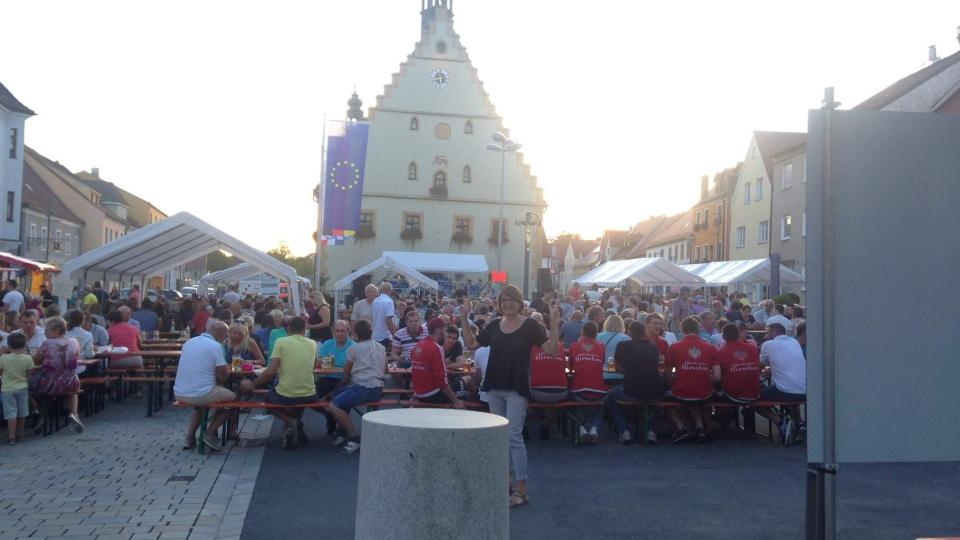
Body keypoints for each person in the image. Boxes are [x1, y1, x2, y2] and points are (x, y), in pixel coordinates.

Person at [461, 284, 560, 509]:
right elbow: (471, 343)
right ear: (499, 303)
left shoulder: (531, 325)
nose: (507, 303)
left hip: (516, 388)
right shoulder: (495, 324)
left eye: (511, 299)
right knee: (500, 436)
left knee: (514, 436)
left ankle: (521, 490)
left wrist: (554, 324)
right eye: (503, 300)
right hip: (494, 386)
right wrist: (464, 318)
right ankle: (505, 484)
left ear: (519, 301)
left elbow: (551, 350)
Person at [252, 316, 318, 450]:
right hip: (310, 394)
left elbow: (270, 372)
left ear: (288, 329)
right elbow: (313, 366)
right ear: (305, 330)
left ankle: (291, 422)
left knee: (268, 398)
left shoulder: (281, 342)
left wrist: (254, 384)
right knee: (295, 396)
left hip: (287, 394)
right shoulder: (312, 343)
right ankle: (292, 427)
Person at [173, 321, 237, 451]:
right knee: (234, 400)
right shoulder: (215, 346)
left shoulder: (189, 342)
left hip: (180, 391)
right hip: (201, 393)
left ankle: (189, 438)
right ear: (221, 335)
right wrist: (227, 370)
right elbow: (223, 376)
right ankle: (209, 433)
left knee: (200, 406)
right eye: (225, 336)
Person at [326, 320, 387, 455]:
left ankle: (353, 437)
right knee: (340, 394)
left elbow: (346, 372)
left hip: (363, 387)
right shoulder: (380, 347)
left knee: (333, 405)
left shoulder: (353, 349)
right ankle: (342, 431)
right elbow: (386, 368)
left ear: (356, 334)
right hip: (378, 389)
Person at [606, 321, 669, 444]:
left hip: (631, 390)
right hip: (653, 390)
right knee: (658, 401)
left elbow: (616, 366)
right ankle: (651, 430)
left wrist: (628, 372)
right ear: (644, 332)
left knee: (610, 396)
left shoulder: (623, 345)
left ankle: (623, 430)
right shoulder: (652, 347)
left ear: (629, 332)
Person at [664, 317, 716, 444]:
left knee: (664, 399)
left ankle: (682, 428)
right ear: (698, 329)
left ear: (682, 329)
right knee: (695, 396)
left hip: (682, 392)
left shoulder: (674, 347)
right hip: (705, 392)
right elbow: (717, 376)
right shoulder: (710, 347)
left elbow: (668, 373)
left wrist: (672, 380)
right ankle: (700, 427)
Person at [756, 322, 806, 445]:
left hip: (785, 391)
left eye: (767, 332)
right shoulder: (794, 342)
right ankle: (798, 423)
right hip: (805, 391)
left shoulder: (768, 344)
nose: (765, 335)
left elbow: (759, 365)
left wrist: (767, 370)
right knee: (789, 388)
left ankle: (779, 422)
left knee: (752, 400)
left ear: (774, 332)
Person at [32, 316, 84, 433]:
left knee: (30, 387)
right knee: (71, 393)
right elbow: (76, 357)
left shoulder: (47, 344)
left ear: (56, 331)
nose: (44, 332)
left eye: (47, 330)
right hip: (71, 382)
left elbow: (35, 361)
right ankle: (73, 413)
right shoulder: (74, 342)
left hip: (50, 383)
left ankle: (43, 415)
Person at [411, 317, 466, 407]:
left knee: (458, 385)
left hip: (419, 393)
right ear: (438, 330)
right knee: (465, 385)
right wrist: (456, 401)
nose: (445, 333)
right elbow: (442, 382)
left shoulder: (418, 345)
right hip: (433, 394)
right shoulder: (436, 348)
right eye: (444, 330)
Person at [568, 321, 607, 444]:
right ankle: (594, 429)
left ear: (582, 333)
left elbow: (570, 367)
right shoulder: (601, 347)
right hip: (599, 391)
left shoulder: (574, 346)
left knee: (569, 397)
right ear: (596, 334)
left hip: (579, 391)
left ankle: (581, 428)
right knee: (601, 402)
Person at [316, 320, 354, 435]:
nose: (340, 333)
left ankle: (342, 428)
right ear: (332, 332)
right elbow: (321, 366)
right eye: (337, 331)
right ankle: (329, 414)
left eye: (343, 331)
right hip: (327, 379)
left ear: (348, 332)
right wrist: (338, 367)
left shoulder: (353, 347)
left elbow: (351, 371)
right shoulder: (327, 344)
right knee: (307, 396)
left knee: (343, 396)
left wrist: (332, 365)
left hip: (346, 380)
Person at [0, 333, 35, 444]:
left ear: (9, 345)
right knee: (22, 412)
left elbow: (0, 372)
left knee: (11, 413)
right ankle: (20, 433)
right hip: (22, 387)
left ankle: (11, 437)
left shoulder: (4, 358)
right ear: (24, 346)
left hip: (7, 389)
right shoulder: (27, 358)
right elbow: (30, 372)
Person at [371, 282, 398, 351]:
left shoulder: (375, 301)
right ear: (390, 291)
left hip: (374, 335)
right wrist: (394, 335)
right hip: (384, 336)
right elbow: (388, 321)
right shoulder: (389, 301)